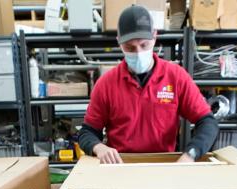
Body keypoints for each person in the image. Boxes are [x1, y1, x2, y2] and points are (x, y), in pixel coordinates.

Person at [78, 4, 218, 164]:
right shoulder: (106, 84)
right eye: (130, 47)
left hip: (162, 166)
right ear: (119, 42)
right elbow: (87, 132)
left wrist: (190, 154)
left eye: (144, 45)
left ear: (154, 36)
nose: (138, 53)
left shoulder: (176, 77)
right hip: (120, 166)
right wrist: (98, 147)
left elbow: (208, 122)